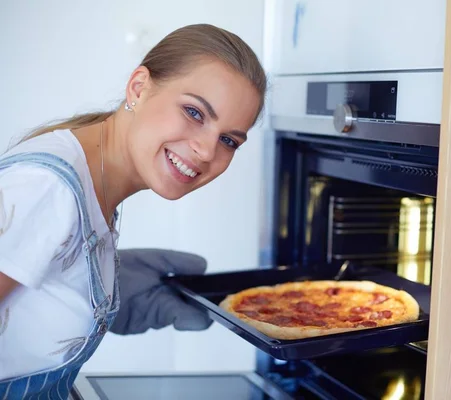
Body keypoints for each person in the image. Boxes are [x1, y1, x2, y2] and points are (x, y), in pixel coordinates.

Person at [0, 23, 266, 398]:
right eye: (194, 112)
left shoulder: (91, 180)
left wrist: (82, 284)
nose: (207, 151)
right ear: (139, 87)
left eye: (228, 140)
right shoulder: (49, 187)